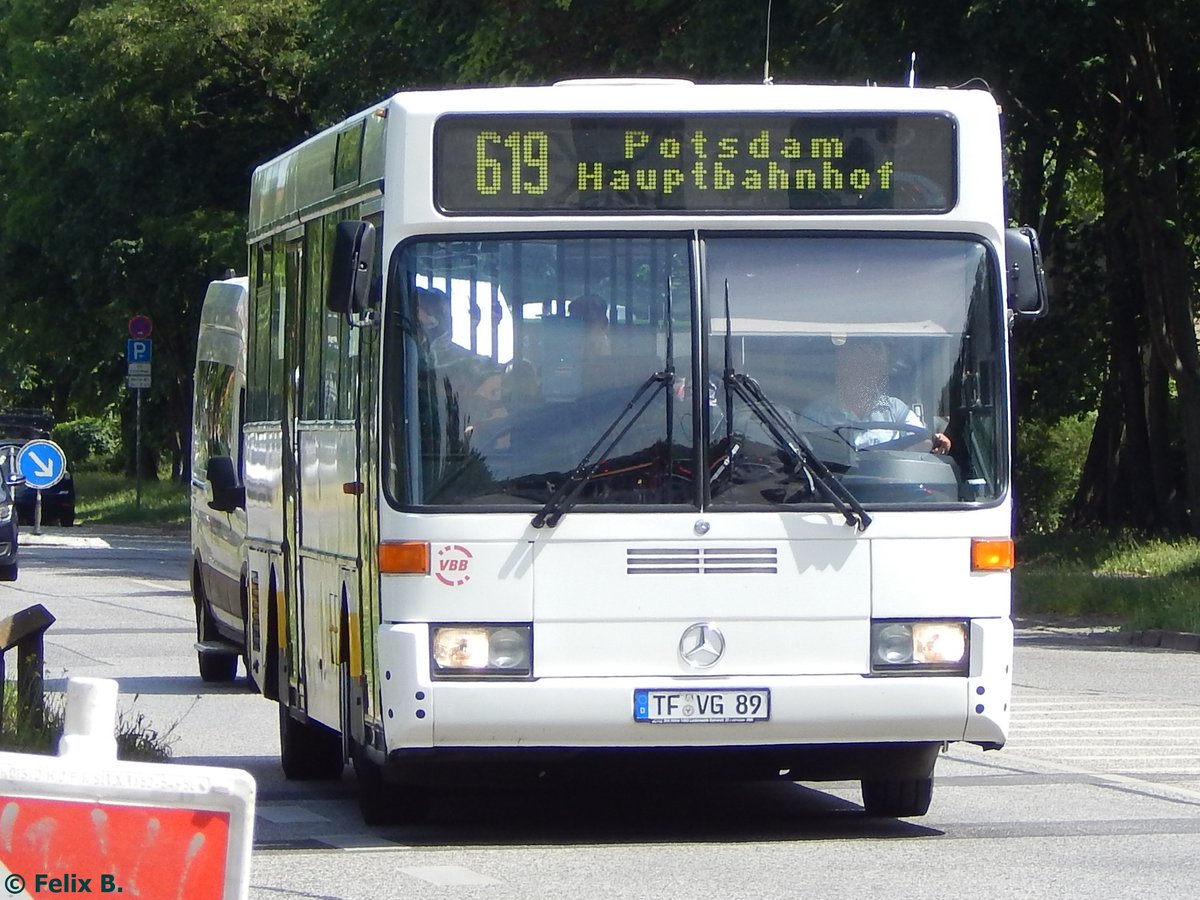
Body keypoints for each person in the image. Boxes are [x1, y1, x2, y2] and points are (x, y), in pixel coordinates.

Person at [805, 339, 951, 453]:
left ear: (879, 373)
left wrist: (934, 441)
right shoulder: (818, 413)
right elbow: (801, 452)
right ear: (840, 370)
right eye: (854, 366)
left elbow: (922, 440)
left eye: (869, 367)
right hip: (832, 487)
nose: (862, 375)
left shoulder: (895, 409)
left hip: (887, 487)